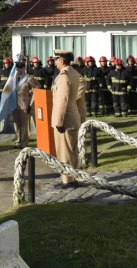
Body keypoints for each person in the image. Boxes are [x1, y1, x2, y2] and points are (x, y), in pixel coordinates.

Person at [51, 50, 84, 187]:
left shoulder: (64, 76)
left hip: (65, 119)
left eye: (56, 59)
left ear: (62, 61)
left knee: (64, 152)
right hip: (72, 116)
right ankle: (74, 177)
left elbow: (62, 100)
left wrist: (58, 121)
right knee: (72, 151)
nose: (55, 62)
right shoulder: (74, 73)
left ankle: (67, 180)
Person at [12, 62, 42, 148]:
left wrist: (30, 94)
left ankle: (24, 143)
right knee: (16, 123)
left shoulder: (28, 78)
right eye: (17, 67)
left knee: (24, 124)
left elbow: (38, 87)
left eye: (21, 67)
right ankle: (17, 141)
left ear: (24, 68)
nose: (19, 69)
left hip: (24, 103)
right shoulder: (13, 79)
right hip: (14, 104)